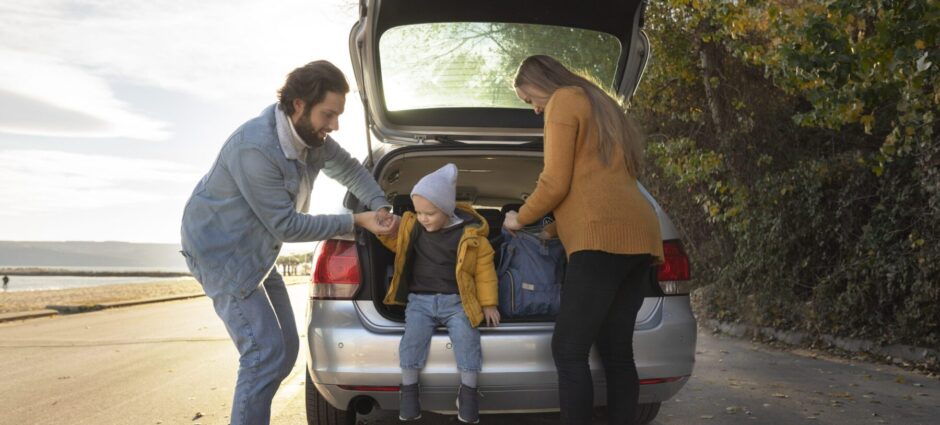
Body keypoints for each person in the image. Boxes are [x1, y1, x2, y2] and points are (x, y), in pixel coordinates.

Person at [180, 60, 397, 425]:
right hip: (221, 253)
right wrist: (358, 220)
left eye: (339, 115)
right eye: (328, 114)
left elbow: (351, 170)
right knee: (264, 355)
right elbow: (287, 226)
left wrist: (381, 206)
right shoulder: (255, 149)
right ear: (298, 104)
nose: (335, 125)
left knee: (285, 351)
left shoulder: (313, 139)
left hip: (258, 249)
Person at [503, 55, 664, 425]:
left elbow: (555, 182)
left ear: (538, 81)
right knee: (617, 351)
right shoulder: (601, 103)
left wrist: (519, 218)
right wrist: (554, 228)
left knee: (568, 349)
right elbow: (597, 185)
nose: (533, 109)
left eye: (529, 100)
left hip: (601, 244)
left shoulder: (562, 100)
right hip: (640, 237)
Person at [377, 163, 500, 424]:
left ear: (446, 209)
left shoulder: (471, 235)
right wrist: (383, 229)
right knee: (411, 341)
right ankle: (409, 392)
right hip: (419, 302)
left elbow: (485, 272)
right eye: (418, 212)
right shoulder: (415, 228)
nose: (422, 218)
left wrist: (489, 304)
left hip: (457, 302)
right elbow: (395, 243)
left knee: (468, 339)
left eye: (429, 213)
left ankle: (468, 393)